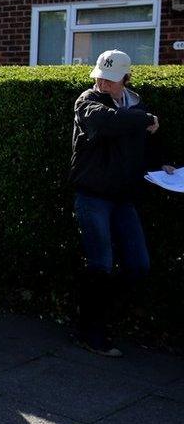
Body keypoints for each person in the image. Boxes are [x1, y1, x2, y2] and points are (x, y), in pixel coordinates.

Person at [70, 49, 176, 357]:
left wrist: (162, 161)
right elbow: (106, 123)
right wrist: (145, 120)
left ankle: (95, 315)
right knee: (100, 263)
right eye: (100, 78)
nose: (103, 84)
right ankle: (90, 330)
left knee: (139, 265)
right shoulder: (87, 101)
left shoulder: (137, 105)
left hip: (123, 197)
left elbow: (141, 143)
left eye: (111, 81)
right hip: (93, 194)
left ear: (126, 80)